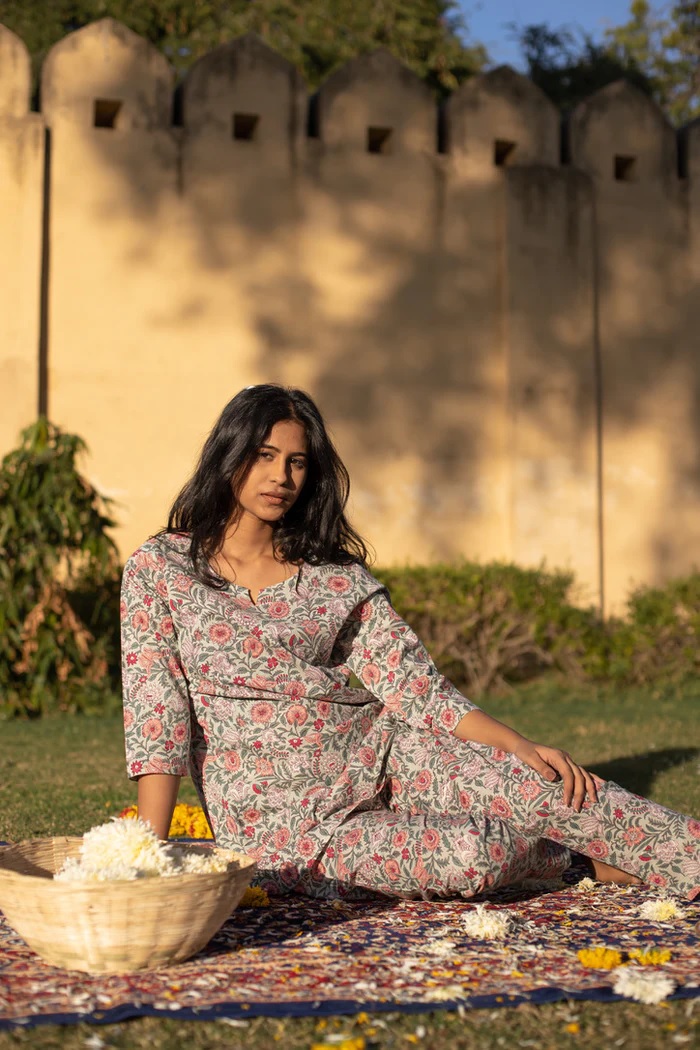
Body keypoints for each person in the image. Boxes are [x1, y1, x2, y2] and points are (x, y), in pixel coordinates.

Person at [121, 385, 699, 901]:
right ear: (229, 454)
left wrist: (518, 746)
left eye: (297, 462)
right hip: (293, 827)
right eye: (264, 455)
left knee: (547, 787)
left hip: (386, 755)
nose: (281, 477)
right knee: (474, 855)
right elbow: (158, 717)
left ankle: (686, 857)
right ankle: (574, 861)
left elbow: (416, 687)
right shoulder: (161, 569)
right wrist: (146, 855)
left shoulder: (330, 574)